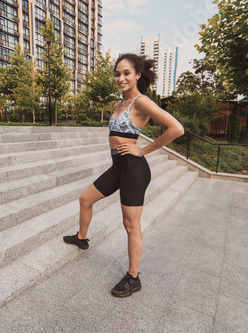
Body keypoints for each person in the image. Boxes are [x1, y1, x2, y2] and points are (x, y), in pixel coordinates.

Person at [63, 53, 184, 298]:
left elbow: (176, 129)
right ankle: (82, 238)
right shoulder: (120, 103)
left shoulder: (142, 102)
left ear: (138, 75)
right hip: (119, 168)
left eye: (126, 73)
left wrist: (144, 149)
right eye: (117, 73)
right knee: (85, 199)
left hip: (134, 170)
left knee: (130, 225)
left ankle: (133, 278)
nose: (121, 78)